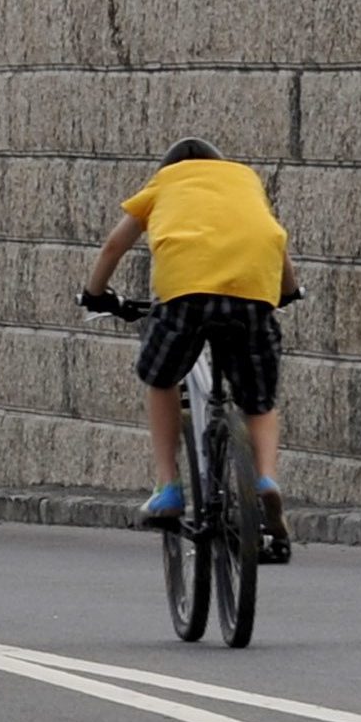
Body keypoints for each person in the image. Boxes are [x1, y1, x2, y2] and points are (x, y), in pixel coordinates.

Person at [81, 140, 297, 563]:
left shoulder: (164, 182)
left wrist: (95, 293)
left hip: (186, 292)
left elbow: (114, 245)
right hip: (252, 289)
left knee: (160, 376)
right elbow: (273, 239)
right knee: (259, 400)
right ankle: (267, 480)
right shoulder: (244, 179)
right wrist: (287, 291)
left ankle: (168, 488)